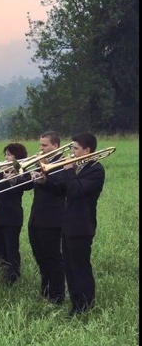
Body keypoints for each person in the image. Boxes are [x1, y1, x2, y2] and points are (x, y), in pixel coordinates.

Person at [47, 132, 106, 315]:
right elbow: (63, 190)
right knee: (70, 268)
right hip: (68, 224)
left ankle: (85, 306)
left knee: (80, 267)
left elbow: (76, 190)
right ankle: (75, 304)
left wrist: (69, 170)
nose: (72, 152)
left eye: (75, 148)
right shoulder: (79, 167)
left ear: (87, 150)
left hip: (82, 226)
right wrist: (44, 181)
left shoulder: (96, 170)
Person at [28, 131, 67, 304]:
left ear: (55, 146)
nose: (41, 148)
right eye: (40, 145)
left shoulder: (64, 163)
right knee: (40, 256)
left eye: (44, 145)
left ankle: (57, 296)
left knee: (53, 258)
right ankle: (45, 291)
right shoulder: (42, 162)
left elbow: (61, 187)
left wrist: (45, 180)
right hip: (36, 216)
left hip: (52, 219)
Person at [0, 143, 32, 285]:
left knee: (11, 248)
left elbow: (27, 184)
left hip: (12, 216)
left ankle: (13, 276)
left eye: (8, 155)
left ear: (17, 157)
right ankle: (0, 273)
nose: (5, 158)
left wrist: (12, 179)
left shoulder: (22, 171)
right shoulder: (1, 172)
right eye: (5, 154)